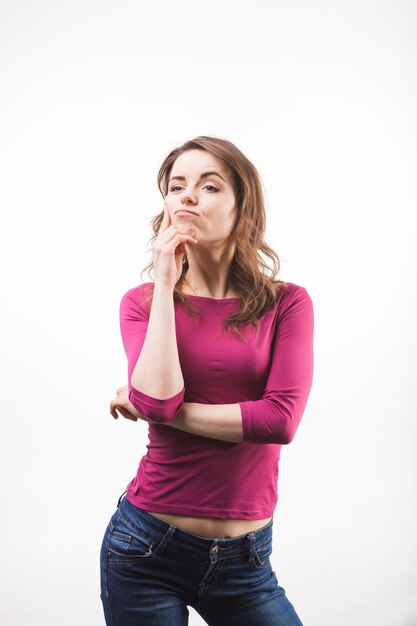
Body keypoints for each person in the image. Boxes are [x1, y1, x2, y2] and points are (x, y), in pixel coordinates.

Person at [100, 135, 314, 625]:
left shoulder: (287, 303)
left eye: (209, 186)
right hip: (144, 548)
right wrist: (163, 281)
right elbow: (158, 400)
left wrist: (151, 407)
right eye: (177, 187)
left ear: (244, 208)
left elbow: (280, 420)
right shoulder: (142, 302)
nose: (188, 196)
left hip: (247, 562)